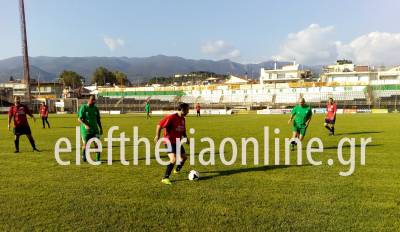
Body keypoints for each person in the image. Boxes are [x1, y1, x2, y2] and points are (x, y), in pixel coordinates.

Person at [154, 103, 189, 185]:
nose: (188, 111)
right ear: (182, 109)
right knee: (173, 159)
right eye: (187, 109)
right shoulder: (171, 117)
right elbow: (159, 125)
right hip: (169, 141)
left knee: (184, 158)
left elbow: (183, 130)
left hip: (177, 141)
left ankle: (177, 170)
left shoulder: (183, 119)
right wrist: (157, 136)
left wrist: (186, 138)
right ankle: (165, 178)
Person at [78, 95, 103, 162]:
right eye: (93, 100)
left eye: (95, 101)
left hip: (95, 129)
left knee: (97, 144)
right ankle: (84, 155)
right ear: (89, 100)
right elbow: (79, 119)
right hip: (86, 130)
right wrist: (85, 125)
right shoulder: (84, 107)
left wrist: (100, 128)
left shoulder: (95, 108)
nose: (94, 102)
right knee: (85, 144)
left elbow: (98, 119)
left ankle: (98, 160)